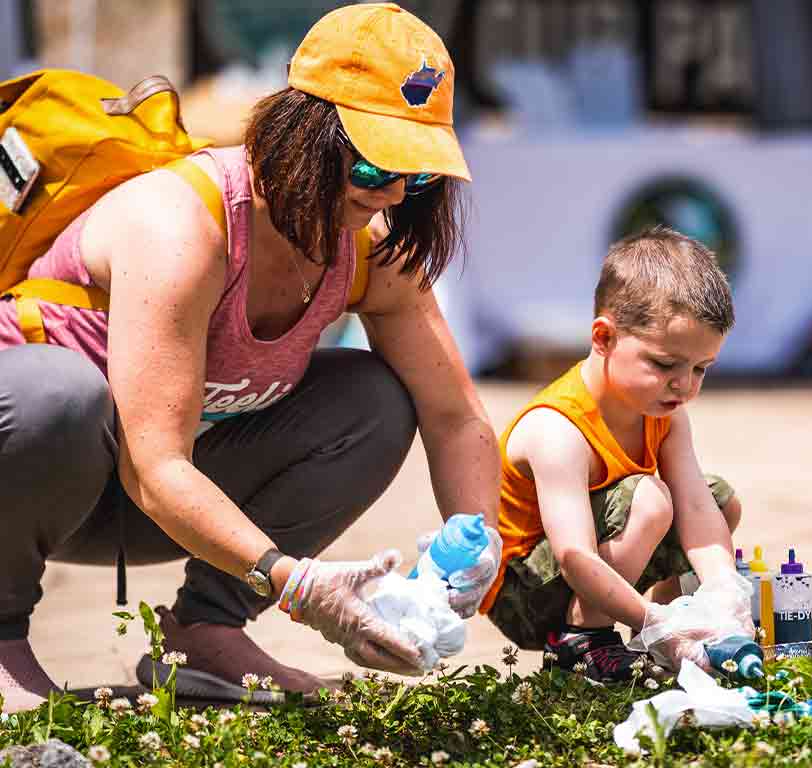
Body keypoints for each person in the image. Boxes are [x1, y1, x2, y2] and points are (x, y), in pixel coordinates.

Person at [0, 3, 501, 712]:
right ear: (302, 133)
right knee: (61, 397)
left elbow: (457, 420)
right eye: (370, 162)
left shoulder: (368, 249)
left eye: (415, 176)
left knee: (373, 401)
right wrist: (295, 583)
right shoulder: (182, 227)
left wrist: (475, 554)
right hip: (42, 477)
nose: (390, 193)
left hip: (135, 497)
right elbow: (155, 465)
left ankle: (205, 632)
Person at [479, 227, 746, 683]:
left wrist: (724, 588)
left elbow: (699, 507)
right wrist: (656, 624)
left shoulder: (666, 412)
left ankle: (667, 626)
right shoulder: (558, 428)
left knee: (719, 499)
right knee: (650, 499)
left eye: (701, 368)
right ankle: (584, 642)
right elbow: (574, 556)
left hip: (599, 568)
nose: (684, 384)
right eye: (664, 365)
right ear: (603, 338)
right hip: (527, 594)